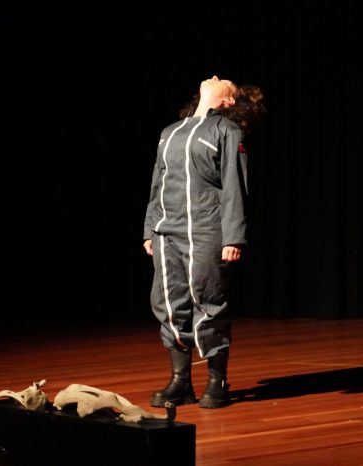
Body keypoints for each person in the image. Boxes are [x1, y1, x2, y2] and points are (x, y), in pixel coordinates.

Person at [143, 75, 266, 409]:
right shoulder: (170, 132)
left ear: (228, 101)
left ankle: (217, 381)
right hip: (167, 231)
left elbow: (235, 186)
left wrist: (234, 236)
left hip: (206, 231)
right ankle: (180, 382)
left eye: (222, 80)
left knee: (208, 303)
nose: (213, 77)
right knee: (167, 304)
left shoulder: (227, 131)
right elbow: (158, 182)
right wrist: (150, 228)